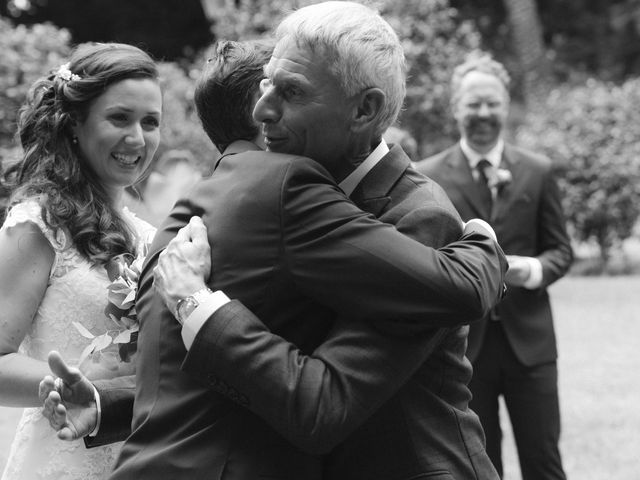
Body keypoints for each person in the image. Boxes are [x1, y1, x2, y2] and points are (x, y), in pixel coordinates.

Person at [44, 28, 505, 480]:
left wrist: (484, 240)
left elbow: (321, 400)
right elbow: (266, 347)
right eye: (267, 86)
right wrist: (116, 400)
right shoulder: (262, 203)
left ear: (364, 109)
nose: (264, 111)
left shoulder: (417, 216)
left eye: (291, 91)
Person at [0, 42, 160, 480]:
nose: (138, 138)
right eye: (120, 118)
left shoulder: (148, 236)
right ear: (74, 124)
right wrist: (68, 389)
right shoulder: (38, 224)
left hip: (138, 454)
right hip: (62, 456)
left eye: (151, 122)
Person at [416, 53, 573, 480]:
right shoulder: (427, 177)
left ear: (506, 105)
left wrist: (534, 270)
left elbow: (560, 250)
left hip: (532, 346)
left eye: (492, 103)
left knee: (544, 461)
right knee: (479, 464)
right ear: (455, 107)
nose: (483, 113)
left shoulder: (538, 172)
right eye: (473, 104)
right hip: (464, 349)